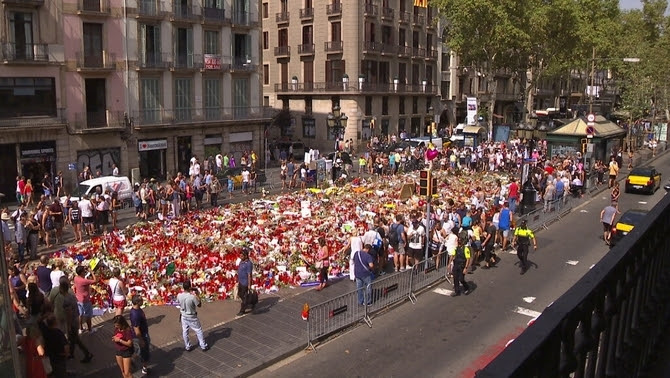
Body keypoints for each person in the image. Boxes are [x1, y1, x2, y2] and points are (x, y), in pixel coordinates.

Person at [48, 276, 93, 364]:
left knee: (75, 339)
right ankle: (71, 354)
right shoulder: (71, 294)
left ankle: (87, 353)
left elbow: (69, 314)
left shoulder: (66, 299)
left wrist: (68, 326)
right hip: (74, 320)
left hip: (71, 322)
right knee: (73, 339)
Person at [177, 280, 208, 351]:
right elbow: (199, 305)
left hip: (183, 315)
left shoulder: (179, 295)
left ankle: (187, 346)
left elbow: (178, 302)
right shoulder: (192, 297)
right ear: (190, 287)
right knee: (198, 330)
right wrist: (197, 295)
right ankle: (203, 346)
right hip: (192, 316)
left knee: (185, 331)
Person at [130, 295, 151, 375]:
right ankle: (144, 368)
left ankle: (132, 360)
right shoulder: (135, 314)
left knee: (138, 351)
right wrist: (141, 340)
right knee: (144, 352)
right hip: (141, 336)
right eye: (141, 300)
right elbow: (136, 328)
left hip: (142, 334)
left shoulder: (137, 310)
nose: (143, 301)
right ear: (137, 302)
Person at [73, 265, 97, 334]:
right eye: (84, 271)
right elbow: (95, 280)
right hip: (85, 300)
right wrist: (92, 272)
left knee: (80, 314)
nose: (85, 272)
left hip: (78, 299)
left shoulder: (76, 278)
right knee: (88, 315)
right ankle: (90, 329)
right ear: (81, 273)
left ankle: (80, 328)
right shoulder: (84, 281)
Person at [448, 231, 471, 296]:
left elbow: (468, 259)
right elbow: (452, 256)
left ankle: (466, 287)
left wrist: (466, 268)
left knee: (461, 279)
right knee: (455, 278)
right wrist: (449, 264)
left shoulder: (466, 249)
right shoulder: (456, 248)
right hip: (456, 265)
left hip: (462, 266)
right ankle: (456, 291)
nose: (458, 241)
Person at [237, 248, 254, 315]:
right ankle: (249, 302)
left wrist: (249, 284)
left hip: (245, 283)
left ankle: (242, 310)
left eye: (242, 256)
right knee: (239, 294)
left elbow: (249, 275)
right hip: (241, 281)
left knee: (244, 297)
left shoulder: (248, 264)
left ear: (246, 256)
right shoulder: (242, 261)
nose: (240, 257)